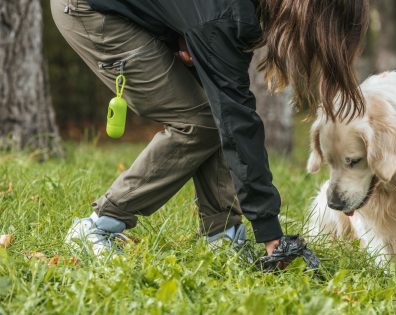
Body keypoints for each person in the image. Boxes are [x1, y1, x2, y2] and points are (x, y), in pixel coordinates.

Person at [51, 0, 369, 257]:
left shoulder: (244, 13)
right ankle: (98, 226)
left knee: (214, 110)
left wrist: (183, 31)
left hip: (142, 14)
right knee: (199, 121)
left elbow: (228, 100)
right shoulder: (226, 15)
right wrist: (271, 235)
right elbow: (237, 120)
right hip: (90, 10)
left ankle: (223, 236)